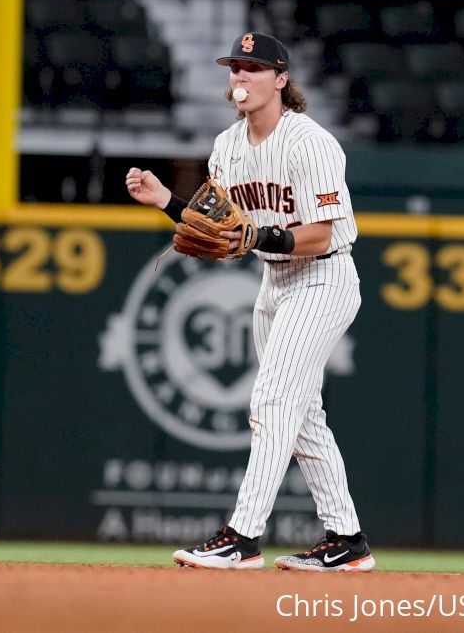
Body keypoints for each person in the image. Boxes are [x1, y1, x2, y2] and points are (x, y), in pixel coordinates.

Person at [124, 32, 374, 572]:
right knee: (304, 417)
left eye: (254, 69)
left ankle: (243, 536)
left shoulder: (310, 141)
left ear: (281, 80)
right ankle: (347, 541)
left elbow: (322, 235)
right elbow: (217, 225)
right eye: (235, 68)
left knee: (272, 401)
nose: (240, 77)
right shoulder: (228, 146)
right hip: (275, 283)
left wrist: (261, 239)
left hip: (324, 278)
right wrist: (167, 200)